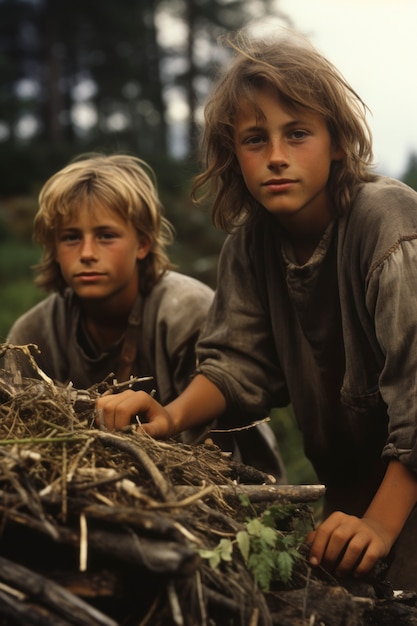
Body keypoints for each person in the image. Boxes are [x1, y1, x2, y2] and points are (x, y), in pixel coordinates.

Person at [95, 31, 417, 590]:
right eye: (253, 139)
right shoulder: (250, 246)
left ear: (337, 141)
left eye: (297, 134)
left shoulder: (389, 226)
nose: (275, 158)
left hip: (396, 502)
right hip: (350, 506)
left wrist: (380, 525)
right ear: (231, 154)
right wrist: (169, 417)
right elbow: (237, 365)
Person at [6, 152, 284, 479]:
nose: (86, 254)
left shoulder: (186, 312)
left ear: (142, 243)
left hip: (232, 495)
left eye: (106, 235)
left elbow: (212, 451)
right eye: (70, 237)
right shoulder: (32, 335)